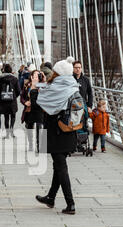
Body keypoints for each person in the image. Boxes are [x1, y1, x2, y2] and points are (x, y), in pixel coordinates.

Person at [35, 57, 79, 215]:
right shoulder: (73, 85)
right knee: (58, 166)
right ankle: (51, 198)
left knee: (61, 167)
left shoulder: (55, 87)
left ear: (58, 72)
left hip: (56, 132)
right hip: (69, 131)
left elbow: (42, 105)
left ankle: (70, 204)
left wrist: (35, 88)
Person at [0, 64, 20, 139]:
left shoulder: (0, 79)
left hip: (4, 100)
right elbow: (18, 90)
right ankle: (11, 130)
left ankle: (7, 134)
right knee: (13, 115)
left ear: (4, 70)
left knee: (6, 117)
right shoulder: (15, 79)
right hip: (12, 100)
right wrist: (14, 96)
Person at [25, 70, 45, 153]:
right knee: (29, 126)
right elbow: (23, 96)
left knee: (39, 127)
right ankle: (30, 144)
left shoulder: (43, 86)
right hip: (30, 109)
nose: (37, 77)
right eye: (35, 76)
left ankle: (39, 145)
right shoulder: (27, 85)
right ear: (32, 77)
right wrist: (25, 102)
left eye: (38, 76)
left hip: (40, 110)